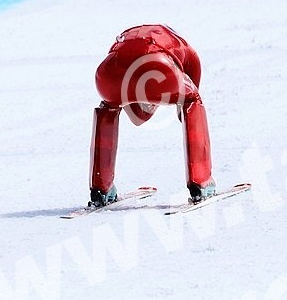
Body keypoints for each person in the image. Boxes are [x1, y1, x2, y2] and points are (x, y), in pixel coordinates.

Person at [88, 23, 216, 206]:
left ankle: (101, 188)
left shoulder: (127, 37)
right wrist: (184, 114)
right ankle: (201, 182)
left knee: (109, 106)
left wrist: (143, 99)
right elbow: (193, 77)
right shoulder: (182, 46)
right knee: (193, 99)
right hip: (159, 68)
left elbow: (137, 114)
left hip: (109, 74)